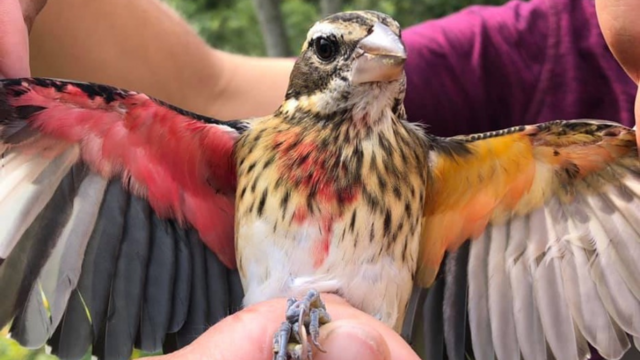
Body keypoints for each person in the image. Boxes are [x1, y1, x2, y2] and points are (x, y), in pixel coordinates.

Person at [1, 0, 639, 359]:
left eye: (386, 51)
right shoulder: (230, 154)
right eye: (335, 51)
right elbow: (207, 86)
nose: (374, 59)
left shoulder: (458, 171)